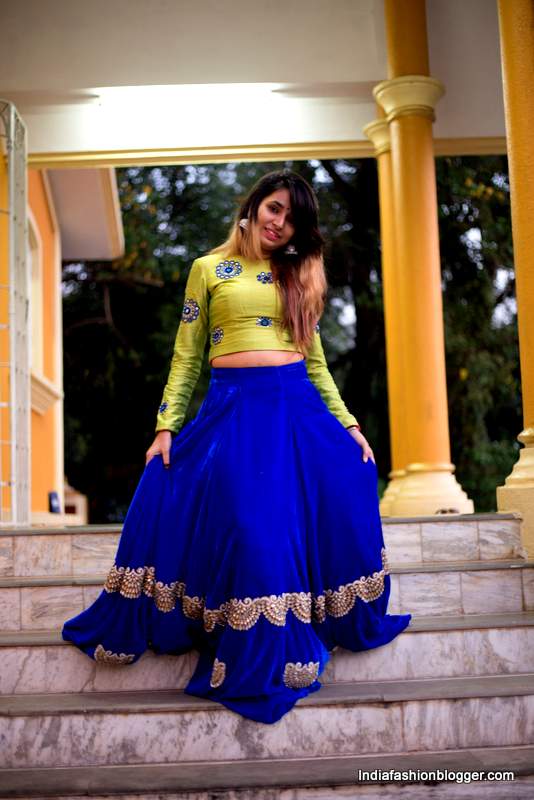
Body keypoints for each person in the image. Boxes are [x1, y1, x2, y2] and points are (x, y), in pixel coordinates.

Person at [62, 168, 411, 725]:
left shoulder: (298, 274)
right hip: (233, 413)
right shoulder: (208, 269)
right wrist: (166, 426)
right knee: (248, 527)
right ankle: (247, 639)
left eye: (292, 218)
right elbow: (186, 356)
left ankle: (291, 633)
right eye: (275, 208)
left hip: (294, 412)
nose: (280, 223)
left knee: (346, 479)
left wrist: (347, 424)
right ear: (253, 207)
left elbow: (316, 363)